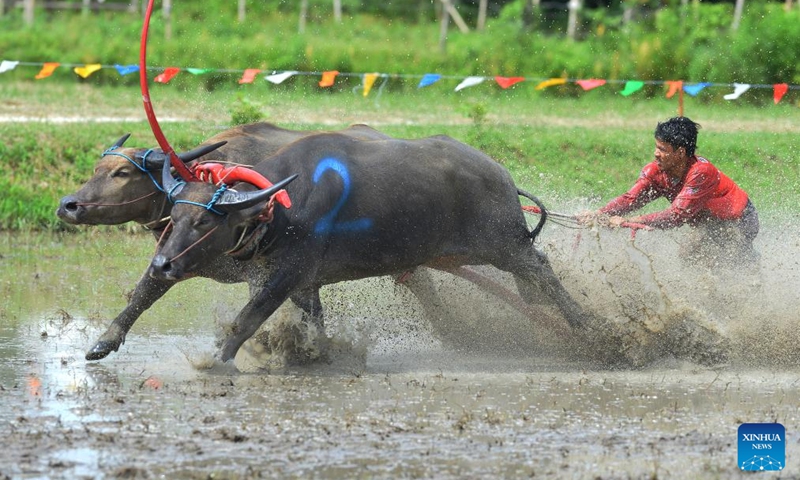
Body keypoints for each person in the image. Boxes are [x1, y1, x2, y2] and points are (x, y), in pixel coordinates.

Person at [577, 116, 759, 267]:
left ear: (680, 153)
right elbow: (630, 199)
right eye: (656, 146)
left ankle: (748, 274)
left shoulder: (701, 172)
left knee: (723, 262)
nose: (656, 153)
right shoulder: (655, 171)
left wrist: (628, 221)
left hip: (739, 221)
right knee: (689, 255)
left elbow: (677, 216)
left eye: (662, 149)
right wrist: (598, 215)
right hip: (707, 224)